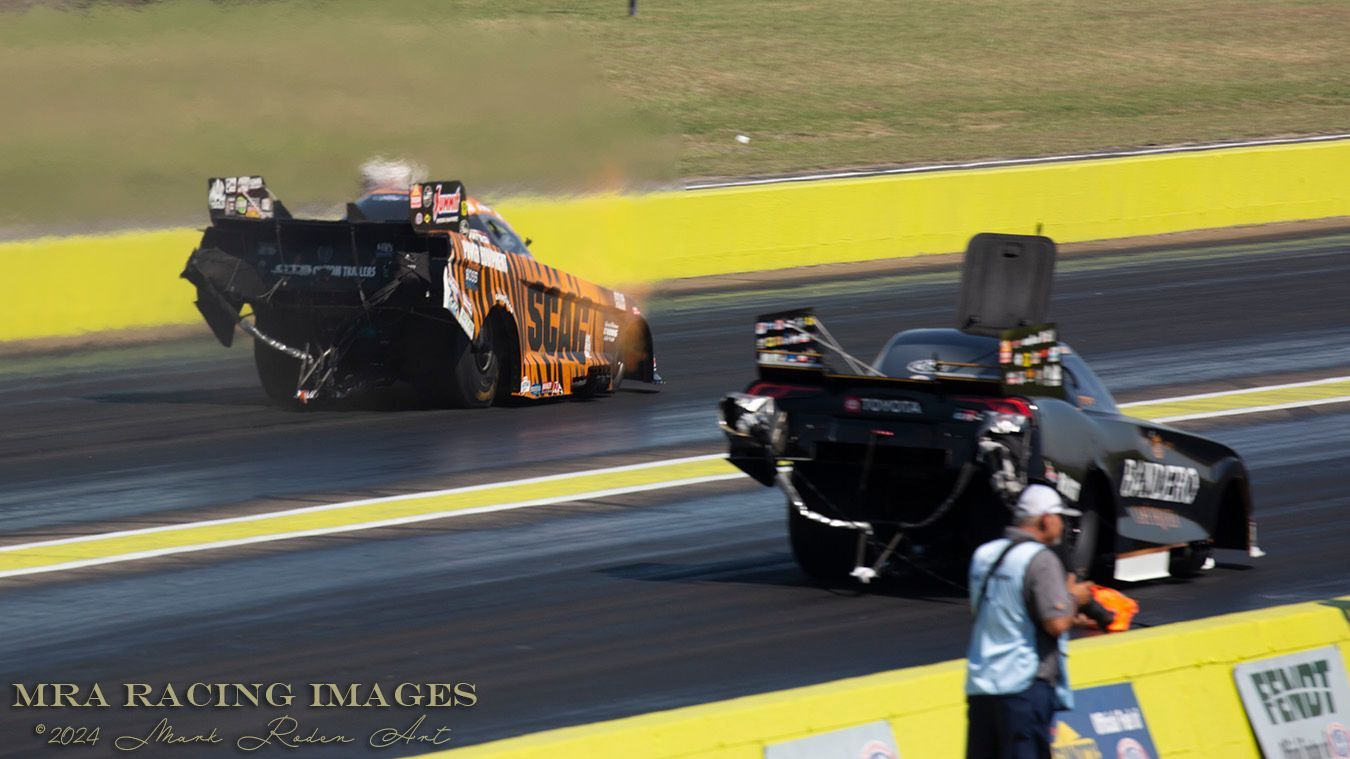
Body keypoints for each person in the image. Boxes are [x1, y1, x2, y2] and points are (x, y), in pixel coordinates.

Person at [965, 484, 1093, 759]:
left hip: (981, 688)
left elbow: (992, 611)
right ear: (1047, 519)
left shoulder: (983, 555)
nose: (1063, 526)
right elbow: (1056, 624)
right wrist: (1075, 599)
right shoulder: (1041, 559)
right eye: (1061, 518)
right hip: (1024, 688)